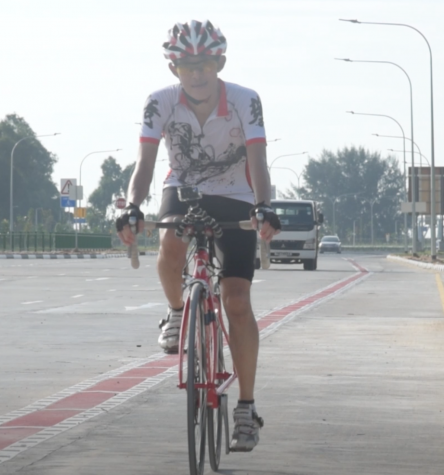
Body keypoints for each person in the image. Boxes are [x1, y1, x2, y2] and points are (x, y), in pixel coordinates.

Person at [116, 19, 280, 452]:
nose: (198, 74)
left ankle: (245, 408)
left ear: (219, 62)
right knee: (170, 245)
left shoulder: (247, 101)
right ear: (174, 69)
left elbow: (258, 161)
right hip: (182, 189)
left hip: (236, 193)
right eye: (187, 66)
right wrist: (133, 207)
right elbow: (145, 165)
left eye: (205, 64)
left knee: (238, 302)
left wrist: (263, 205)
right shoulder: (160, 103)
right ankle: (176, 312)